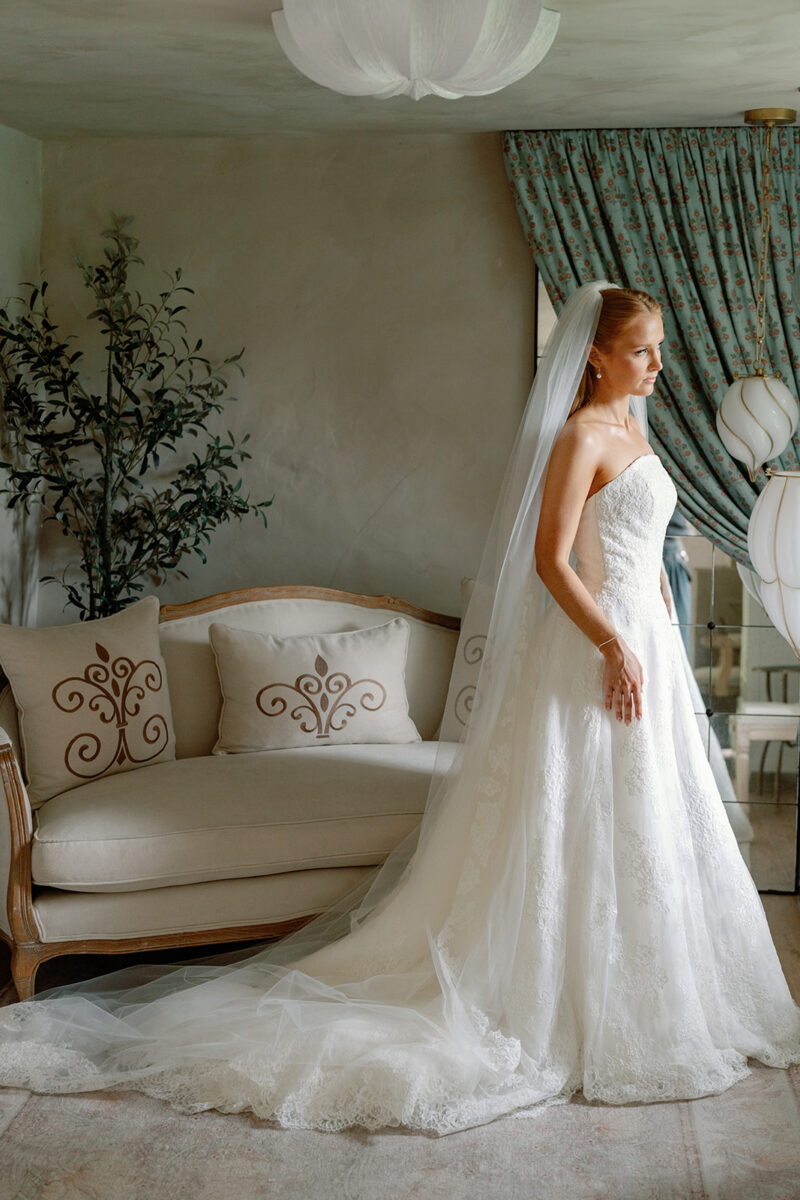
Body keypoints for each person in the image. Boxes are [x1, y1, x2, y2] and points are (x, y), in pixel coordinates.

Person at [0, 282, 798, 1136]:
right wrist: (611, 644)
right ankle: (568, 1006)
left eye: (660, 348)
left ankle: (663, 997)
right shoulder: (577, 436)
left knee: (650, 825)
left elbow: (636, 550)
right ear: (595, 354)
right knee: (583, 820)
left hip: (650, 650)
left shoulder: (636, 427)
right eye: (643, 350)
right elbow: (550, 562)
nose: (657, 365)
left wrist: (653, 646)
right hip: (596, 652)